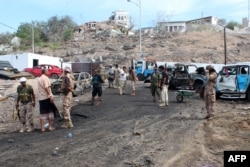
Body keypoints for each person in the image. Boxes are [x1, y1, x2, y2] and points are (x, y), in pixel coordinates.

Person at [37, 68, 55, 132]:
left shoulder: (39, 79)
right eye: (47, 71)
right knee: (49, 112)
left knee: (42, 113)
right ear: (45, 72)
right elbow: (46, 87)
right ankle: (50, 127)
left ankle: (42, 128)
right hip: (46, 97)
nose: (48, 72)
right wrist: (50, 95)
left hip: (41, 98)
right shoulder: (46, 78)